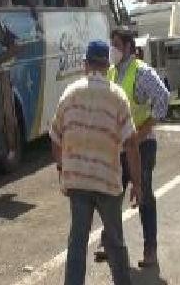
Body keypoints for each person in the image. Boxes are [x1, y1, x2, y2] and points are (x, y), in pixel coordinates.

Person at [51, 40, 142, 285]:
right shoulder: (117, 96)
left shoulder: (69, 94)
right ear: (107, 65)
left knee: (77, 242)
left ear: (85, 64)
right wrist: (137, 183)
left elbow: (55, 136)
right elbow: (131, 144)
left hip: (77, 182)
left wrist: (62, 169)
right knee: (115, 242)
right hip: (107, 182)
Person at [96, 28, 170, 268]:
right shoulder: (110, 72)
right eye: (111, 44)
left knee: (144, 194)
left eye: (116, 44)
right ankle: (110, 242)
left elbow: (163, 99)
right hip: (117, 147)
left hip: (141, 146)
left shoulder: (142, 72)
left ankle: (150, 249)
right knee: (112, 194)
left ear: (128, 46)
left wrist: (141, 133)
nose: (112, 49)